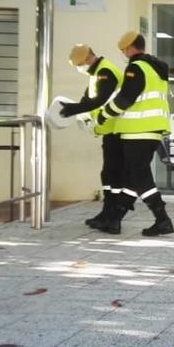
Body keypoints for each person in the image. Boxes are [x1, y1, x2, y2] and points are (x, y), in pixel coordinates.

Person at [92, 31, 174, 237]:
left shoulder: (136, 68)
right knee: (132, 176)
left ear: (130, 48)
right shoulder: (155, 68)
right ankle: (115, 220)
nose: (123, 54)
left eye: (123, 50)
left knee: (139, 175)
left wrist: (104, 114)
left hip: (138, 130)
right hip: (151, 130)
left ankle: (162, 219)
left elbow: (125, 98)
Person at [58, 44, 124, 229]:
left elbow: (100, 100)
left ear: (88, 59)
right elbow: (87, 100)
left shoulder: (106, 72)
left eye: (79, 64)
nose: (79, 68)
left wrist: (74, 109)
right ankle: (107, 213)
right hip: (108, 130)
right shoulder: (95, 74)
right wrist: (73, 107)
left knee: (114, 175)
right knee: (108, 174)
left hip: (117, 130)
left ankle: (114, 218)